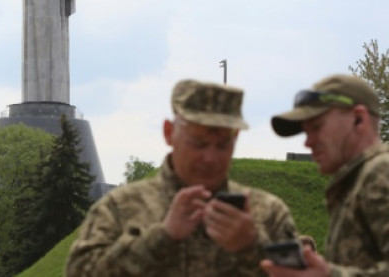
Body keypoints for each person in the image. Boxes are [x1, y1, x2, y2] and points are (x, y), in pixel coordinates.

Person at [66, 79, 301, 276]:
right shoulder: (118, 208)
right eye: (198, 143)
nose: (210, 158)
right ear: (169, 133)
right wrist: (162, 237)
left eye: (223, 145)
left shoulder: (267, 213)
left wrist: (252, 246)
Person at [264, 74, 389, 277]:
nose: (308, 142)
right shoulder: (355, 185)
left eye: (317, 127)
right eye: (306, 132)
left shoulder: (385, 173)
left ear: (358, 119)